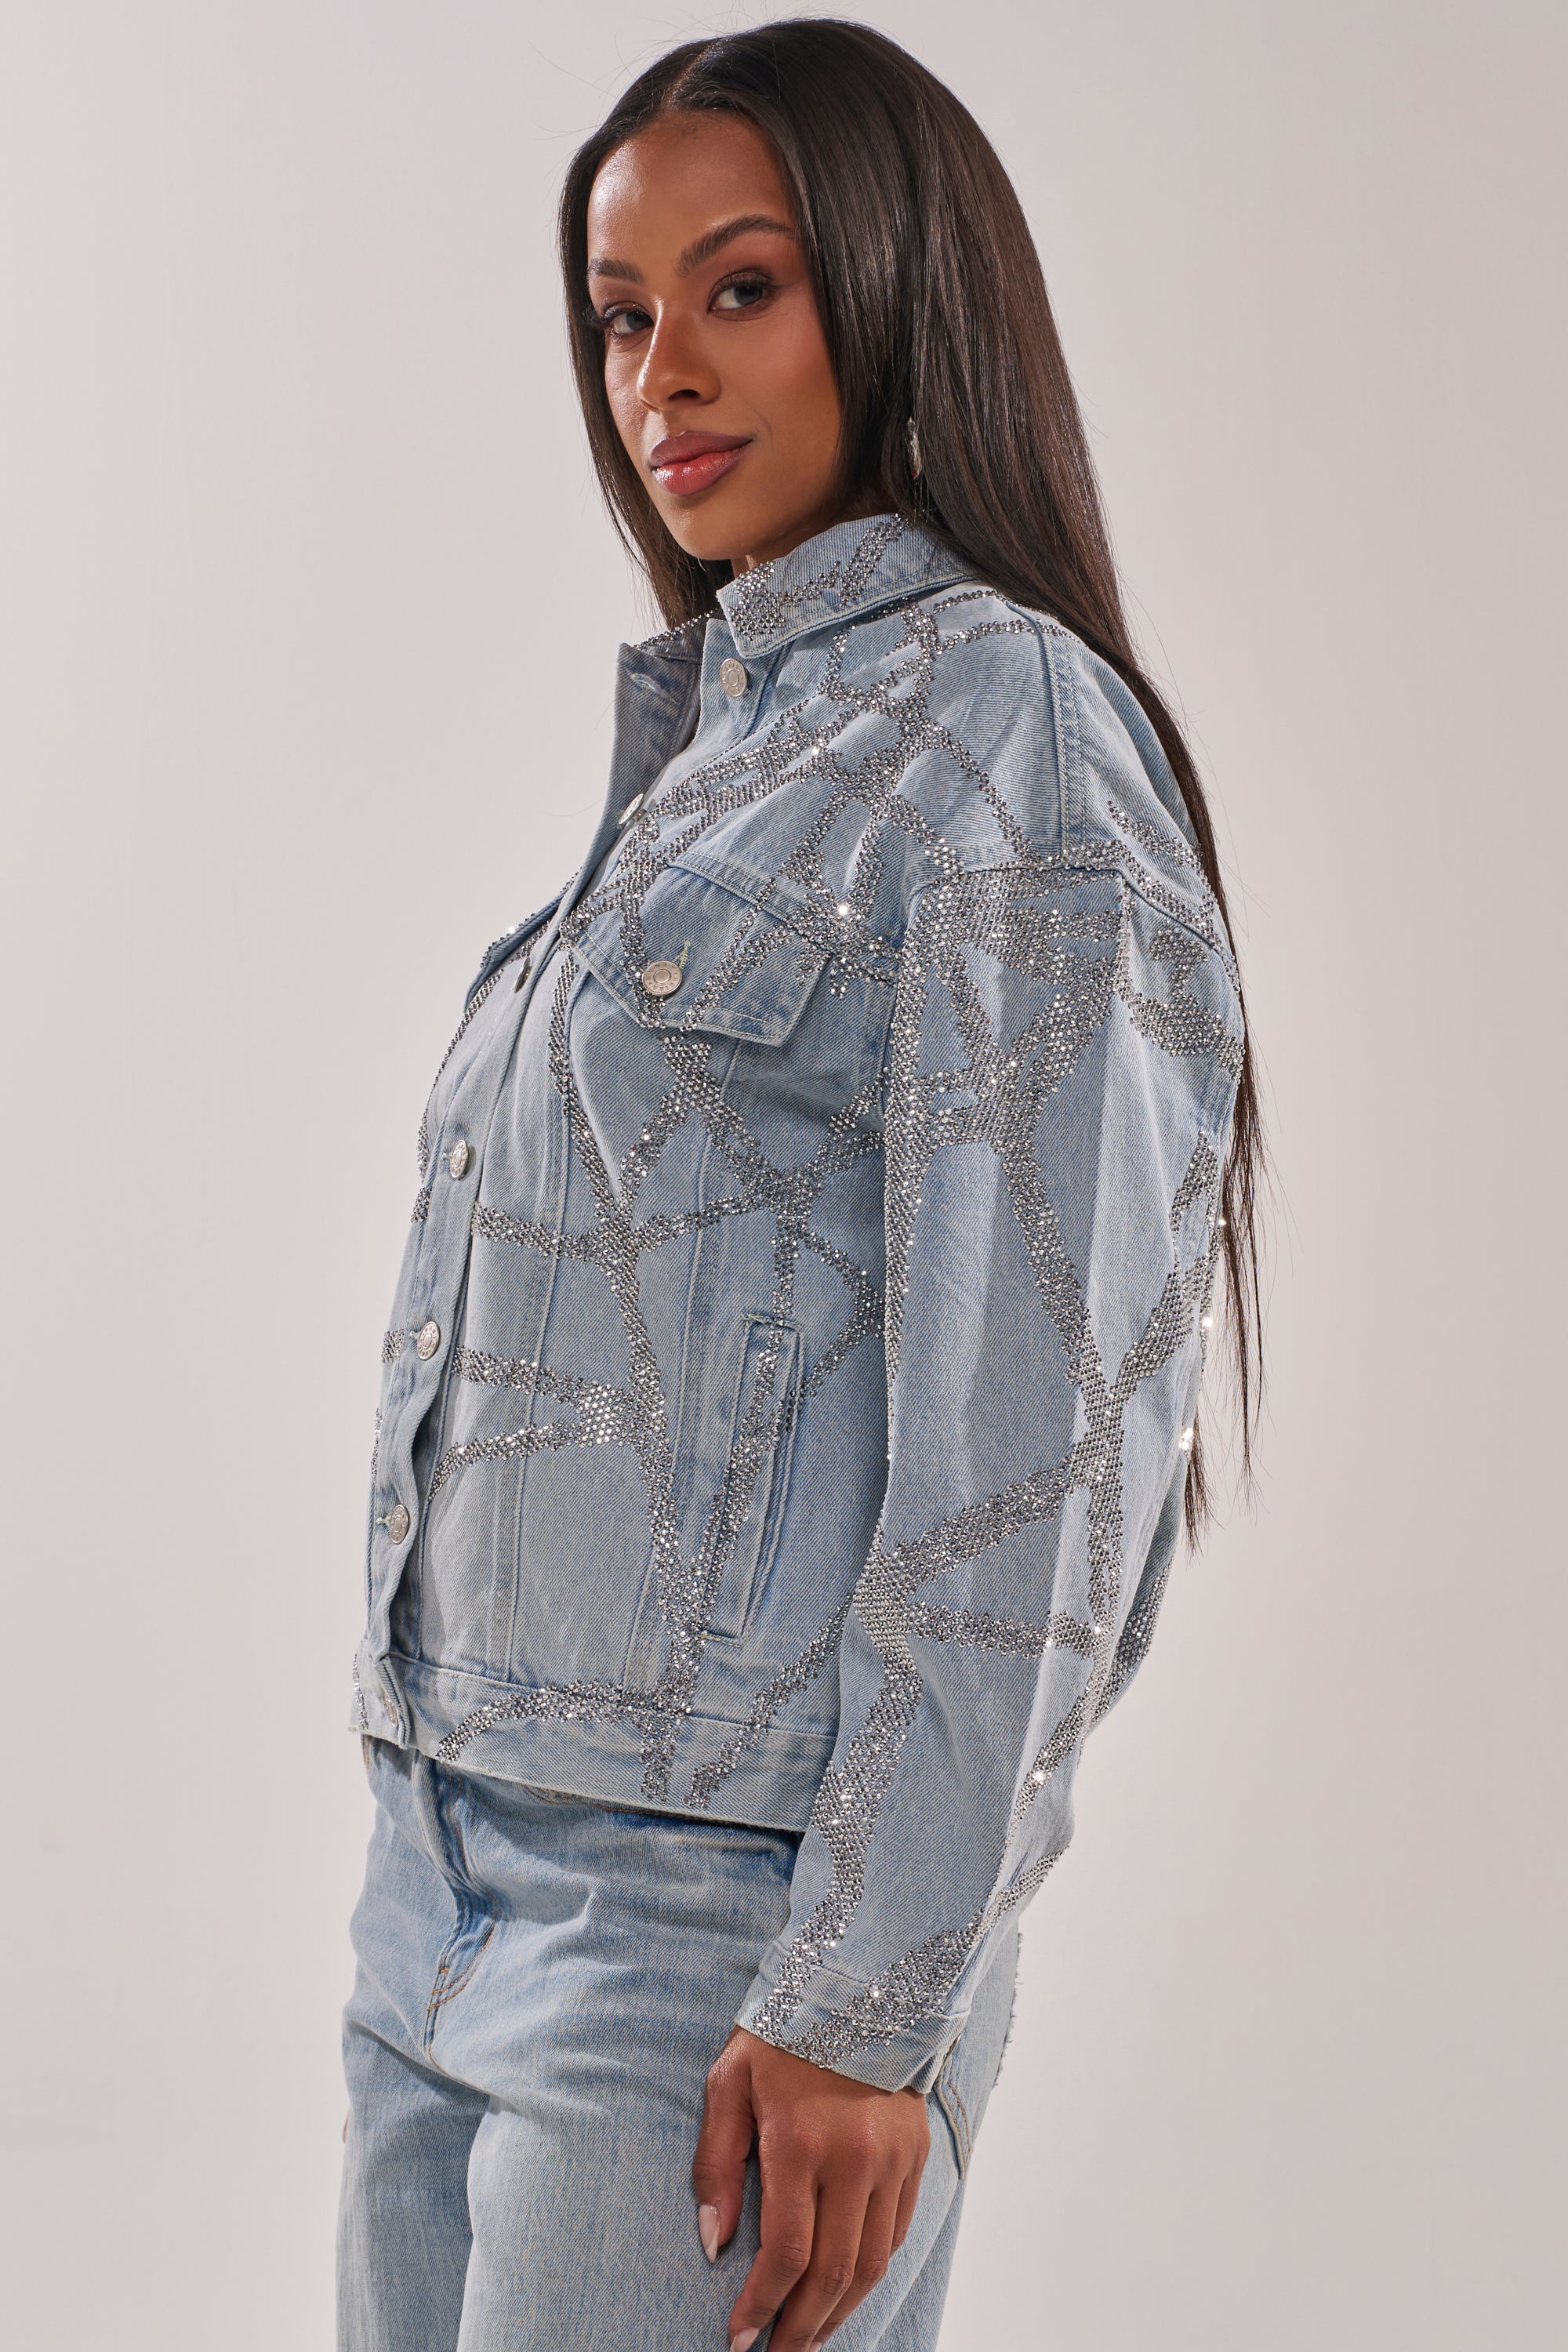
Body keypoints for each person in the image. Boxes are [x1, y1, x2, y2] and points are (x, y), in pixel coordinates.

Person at [336, 20, 1261, 2351]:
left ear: (894, 281)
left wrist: (873, 1989)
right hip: (438, 1879)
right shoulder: (717, 744)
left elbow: (1040, 1443)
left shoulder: (1010, 733)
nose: (664, 373)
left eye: (738, 290)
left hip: (710, 1947)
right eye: (625, 315)